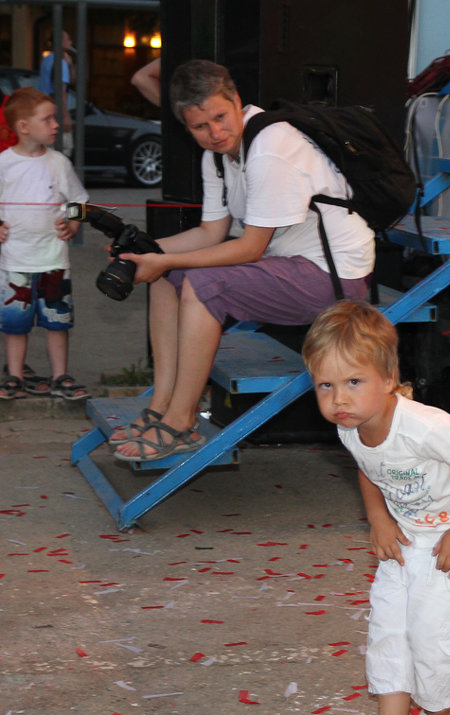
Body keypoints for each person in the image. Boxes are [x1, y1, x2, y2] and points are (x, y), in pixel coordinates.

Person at [111, 59, 374, 461]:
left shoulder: (270, 146)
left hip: (333, 275)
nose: (215, 133)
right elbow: (210, 233)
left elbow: (250, 247)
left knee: (203, 285)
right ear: (187, 126)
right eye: (200, 127)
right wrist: (146, 252)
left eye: (220, 117)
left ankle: (182, 422)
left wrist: (162, 260)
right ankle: (162, 403)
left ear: (236, 100)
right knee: (165, 276)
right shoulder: (216, 155)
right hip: (285, 264)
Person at [301, 300, 450, 715]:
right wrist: (378, 518)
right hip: (407, 537)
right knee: (389, 627)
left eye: (353, 382)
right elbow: (371, 469)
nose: (338, 399)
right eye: (325, 385)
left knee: (433, 635)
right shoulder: (352, 426)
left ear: (389, 379)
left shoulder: (424, 426)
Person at [0, 87, 90, 401]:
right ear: (23, 127)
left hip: (54, 260)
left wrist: (75, 223)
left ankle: (59, 376)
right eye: (47, 119)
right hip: (15, 263)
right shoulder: (4, 164)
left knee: (57, 322)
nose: (56, 124)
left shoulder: (59, 163)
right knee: (14, 325)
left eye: (55, 118)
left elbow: (79, 200)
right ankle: (14, 376)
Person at [39, 30, 75, 157]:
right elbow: (61, 91)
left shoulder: (47, 59)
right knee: (63, 151)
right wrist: (65, 116)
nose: (71, 42)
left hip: (44, 112)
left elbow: (70, 80)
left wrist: (70, 64)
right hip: (56, 113)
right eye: (68, 39)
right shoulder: (60, 63)